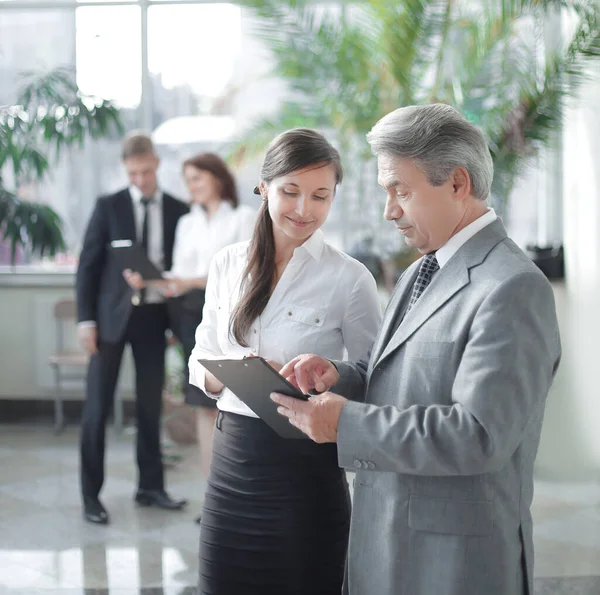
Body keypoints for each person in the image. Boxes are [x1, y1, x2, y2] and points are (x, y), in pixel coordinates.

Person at [273, 104, 562, 595]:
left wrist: (346, 423)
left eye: (400, 191)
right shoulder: (421, 270)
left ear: (456, 183)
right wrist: (338, 377)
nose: (389, 210)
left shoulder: (512, 287)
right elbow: (397, 375)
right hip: (385, 544)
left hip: (453, 564)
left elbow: (479, 434)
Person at [188, 128, 382, 595]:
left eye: (320, 196)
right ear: (264, 188)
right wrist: (234, 373)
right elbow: (200, 359)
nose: (303, 209)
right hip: (232, 467)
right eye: (290, 192)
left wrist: (324, 379)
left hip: (305, 475)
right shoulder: (228, 264)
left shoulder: (350, 279)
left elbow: (376, 377)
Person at [76, 132, 189, 525]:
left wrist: (179, 319)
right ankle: (91, 496)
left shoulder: (179, 209)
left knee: (148, 406)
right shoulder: (108, 206)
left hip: (154, 319)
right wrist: (85, 320)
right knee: (97, 407)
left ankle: (151, 487)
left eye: (144, 171)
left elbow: (183, 267)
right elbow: (87, 267)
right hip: (109, 321)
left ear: (156, 163)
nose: (139, 179)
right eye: (132, 173)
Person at [164, 152, 256, 521]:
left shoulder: (244, 218)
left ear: (218, 178)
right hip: (189, 313)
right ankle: (214, 497)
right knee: (203, 402)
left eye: (198, 178)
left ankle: (243, 495)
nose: (192, 187)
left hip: (232, 315)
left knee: (237, 402)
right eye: (188, 180)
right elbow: (178, 273)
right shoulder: (186, 223)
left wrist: (189, 280)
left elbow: (245, 273)